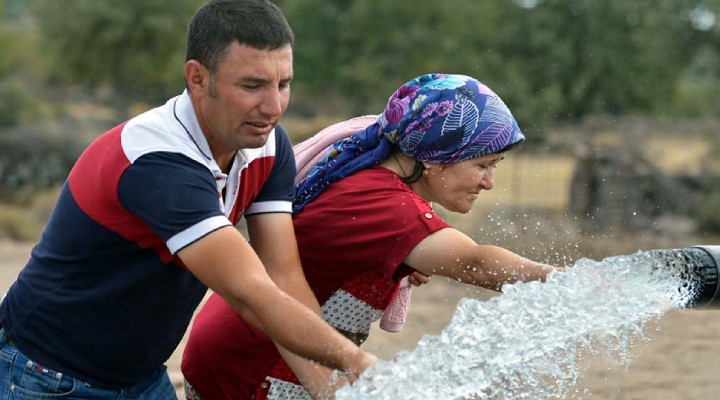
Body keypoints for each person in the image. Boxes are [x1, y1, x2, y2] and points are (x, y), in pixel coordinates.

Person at [0, 0, 375, 398]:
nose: (274, 107)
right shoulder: (157, 161)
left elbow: (284, 282)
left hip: (140, 379)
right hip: (44, 374)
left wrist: (333, 390)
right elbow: (252, 296)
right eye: (252, 86)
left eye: (282, 84)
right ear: (197, 77)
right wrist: (363, 367)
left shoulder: (266, 145)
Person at [181, 73, 563, 400]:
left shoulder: (370, 180)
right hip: (254, 366)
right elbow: (476, 263)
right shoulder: (384, 206)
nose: (490, 182)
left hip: (244, 347)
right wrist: (567, 284)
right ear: (434, 156)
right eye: (482, 165)